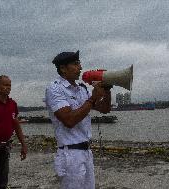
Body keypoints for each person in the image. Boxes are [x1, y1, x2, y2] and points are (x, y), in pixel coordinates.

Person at [45, 50, 112, 189]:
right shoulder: (55, 88)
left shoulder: (82, 89)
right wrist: (93, 98)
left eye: (79, 63)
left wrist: (107, 90)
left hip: (86, 151)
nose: (80, 67)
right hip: (70, 154)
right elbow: (69, 120)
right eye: (75, 64)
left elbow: (104, 109)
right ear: (63, 68)